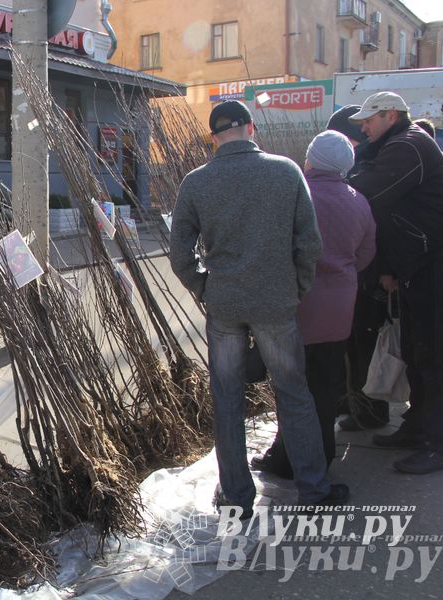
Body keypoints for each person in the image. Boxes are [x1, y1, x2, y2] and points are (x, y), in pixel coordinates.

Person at [170, 100, 349, 514]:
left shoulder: (196, 183)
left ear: (213, 138)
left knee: (227, 398)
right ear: (251, 128)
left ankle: (235, 496)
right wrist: (296, 288)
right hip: (276, 303)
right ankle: (314, 488)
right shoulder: (285, 172)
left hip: (225, 305)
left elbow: (181, 254)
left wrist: (204, 287)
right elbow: (310, 244)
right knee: (293, 394)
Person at [347, 91, 443, 474]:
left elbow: (369, 192)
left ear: (391, 115)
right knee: (418, 353)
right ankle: (418, 430)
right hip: (420, 263)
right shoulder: (398, 144)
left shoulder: (408, 145)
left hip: (439, 262)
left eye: (369, 119)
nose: (363, 126)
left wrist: (340, 179)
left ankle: (438, 446)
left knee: (436, 356)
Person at [251, 131, 376, 479]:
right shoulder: (358, 200)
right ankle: (321, 455)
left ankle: (287, 459)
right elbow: (366, 254)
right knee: (325, 387)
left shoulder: (293, 194)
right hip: (339, 309)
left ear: (309, 160)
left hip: (295, 307)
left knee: (291, 389)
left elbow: (271, 249)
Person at [327, 105, 390, 431]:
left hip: (363, 279)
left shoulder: (364, 175)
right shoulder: (361, 170)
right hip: (358, 275)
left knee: (362, 345)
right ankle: (354, 404)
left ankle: (369, 411)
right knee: (353, 345)